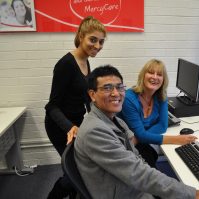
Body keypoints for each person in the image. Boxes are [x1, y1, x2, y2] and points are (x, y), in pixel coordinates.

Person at [74, 65, 199, 199]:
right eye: (107, 88)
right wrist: (195, 194)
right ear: (92, 94)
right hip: (127, 193)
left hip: (129, 184)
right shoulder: (95, 130)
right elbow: (137, 173)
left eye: (119, 87)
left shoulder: (114, 119)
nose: (116, 93)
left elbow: (137, 157)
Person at [45, 16, 107, 199]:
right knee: (75, 172)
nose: (97, 46)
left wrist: (97, 116)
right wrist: (70, 127)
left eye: (101, 42)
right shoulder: (65, 64)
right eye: (93, 40)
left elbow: (84, 96)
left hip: (77, 123)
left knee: (81, 169)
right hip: (60, 126)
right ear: (81, 36)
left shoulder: (85, 60)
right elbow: (52, 106)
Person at [119, 59, 197, 168]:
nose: (155, 77)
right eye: (151, 72)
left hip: (137, 142)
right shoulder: (129, 98)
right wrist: (176, 139)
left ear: (163, 79)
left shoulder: (161, 97)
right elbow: (142, 135)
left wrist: (141, 136)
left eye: (159, 74)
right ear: (143, 75)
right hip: (124, 147)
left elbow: (162, 125)